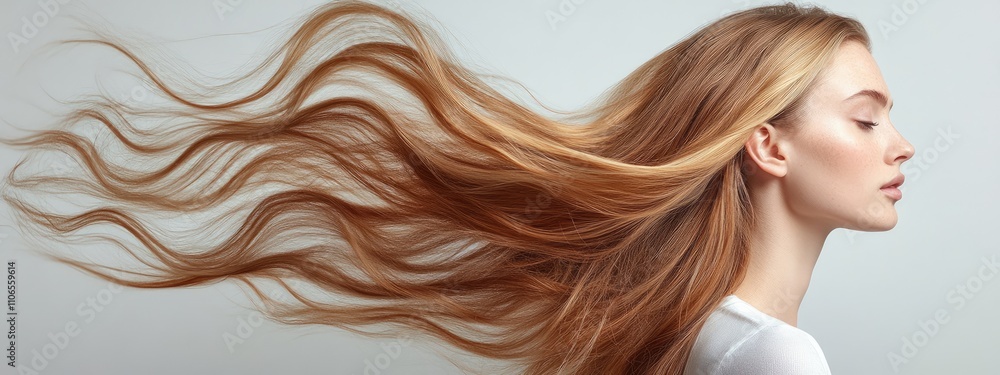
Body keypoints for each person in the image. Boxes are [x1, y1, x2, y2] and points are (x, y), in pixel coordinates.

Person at [0, 1, 913, 374]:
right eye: (867, 118)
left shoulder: (694, 332)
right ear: (768, 145)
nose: (902, 146)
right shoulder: (775, 356)